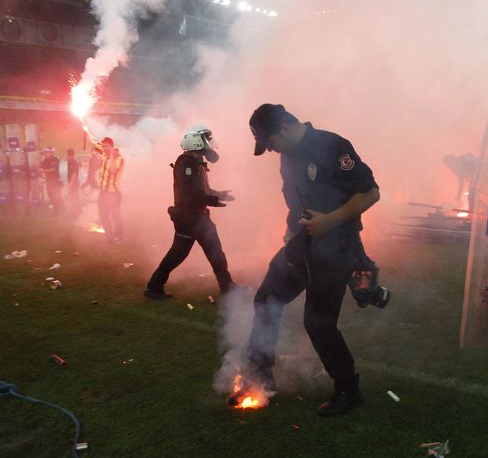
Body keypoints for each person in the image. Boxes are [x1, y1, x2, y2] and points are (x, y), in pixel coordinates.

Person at [230, 104, 380, 417]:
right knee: (266, 300)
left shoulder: (334, 146)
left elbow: (371, 193)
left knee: (318, 321)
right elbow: (295, 201)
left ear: (285, 129)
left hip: (336, 246)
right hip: (301, 244)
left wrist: (331, 220)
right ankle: (259, 378)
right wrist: (289, 233)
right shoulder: (287, 155)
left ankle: (348, 388)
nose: (270, 150)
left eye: (270, 143)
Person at [145, 125, 236, 299]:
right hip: (188, 218)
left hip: (199, 217)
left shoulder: (196, 162)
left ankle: (227, 286)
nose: (209, 143)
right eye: (206, 139)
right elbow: (190, 194)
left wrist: (220, 195)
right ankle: (154, 286)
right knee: (177, 254)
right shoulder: (185, 162)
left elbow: (205, 190)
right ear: (196, 141)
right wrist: (213, 201)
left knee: (215, 250)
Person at [95, 137, 124, 244]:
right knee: (103, 215)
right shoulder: (104, 155)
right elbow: (95, 143)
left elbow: (112, 170)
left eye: (106, 146)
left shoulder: (119, 158)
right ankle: (109, 236)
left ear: (111, 147)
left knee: (116, 216)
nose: (104, 148)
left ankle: (119, 236)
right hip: (102, 192)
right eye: (103, 146)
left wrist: (111, 154)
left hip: (113, 193)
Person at [39, 147, 64, 216]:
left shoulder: (55, 159)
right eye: (45, 152)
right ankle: (59, 209)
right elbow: (40, 167)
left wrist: (43, 170)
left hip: (55, 180)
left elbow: (53, 169)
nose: (46, 154)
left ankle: (60, 209)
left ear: (51, 152)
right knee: (51, 195)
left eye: (47, 152)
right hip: (49, 181)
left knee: (56, 195)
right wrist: (41, 158)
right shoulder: (45, 160)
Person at [65, 148, 80, 214]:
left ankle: (75, 211)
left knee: (74, 197)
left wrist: (71, 182)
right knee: (73, 196)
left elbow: (74, 173)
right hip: (74, 182)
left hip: (74, 182)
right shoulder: (71, 161)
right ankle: (75, 210)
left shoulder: (72, 162)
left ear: (68, 154)